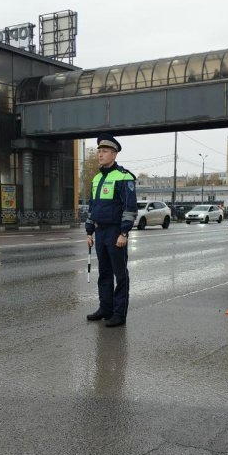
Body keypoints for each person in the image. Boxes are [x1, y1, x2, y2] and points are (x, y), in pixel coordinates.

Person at [85, 133, 137, 327]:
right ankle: (105, 308)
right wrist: (89, 231)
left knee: (120, 274)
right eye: (99, 151)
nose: (100, 154)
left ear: (114, 155)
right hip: (100, 233)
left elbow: (130, 208)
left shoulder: (124, 177)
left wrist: (124, 233)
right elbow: (92, 207)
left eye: (105, 151)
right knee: (104, 273)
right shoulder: (97, 178)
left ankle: (119, 314)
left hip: (116, 232)